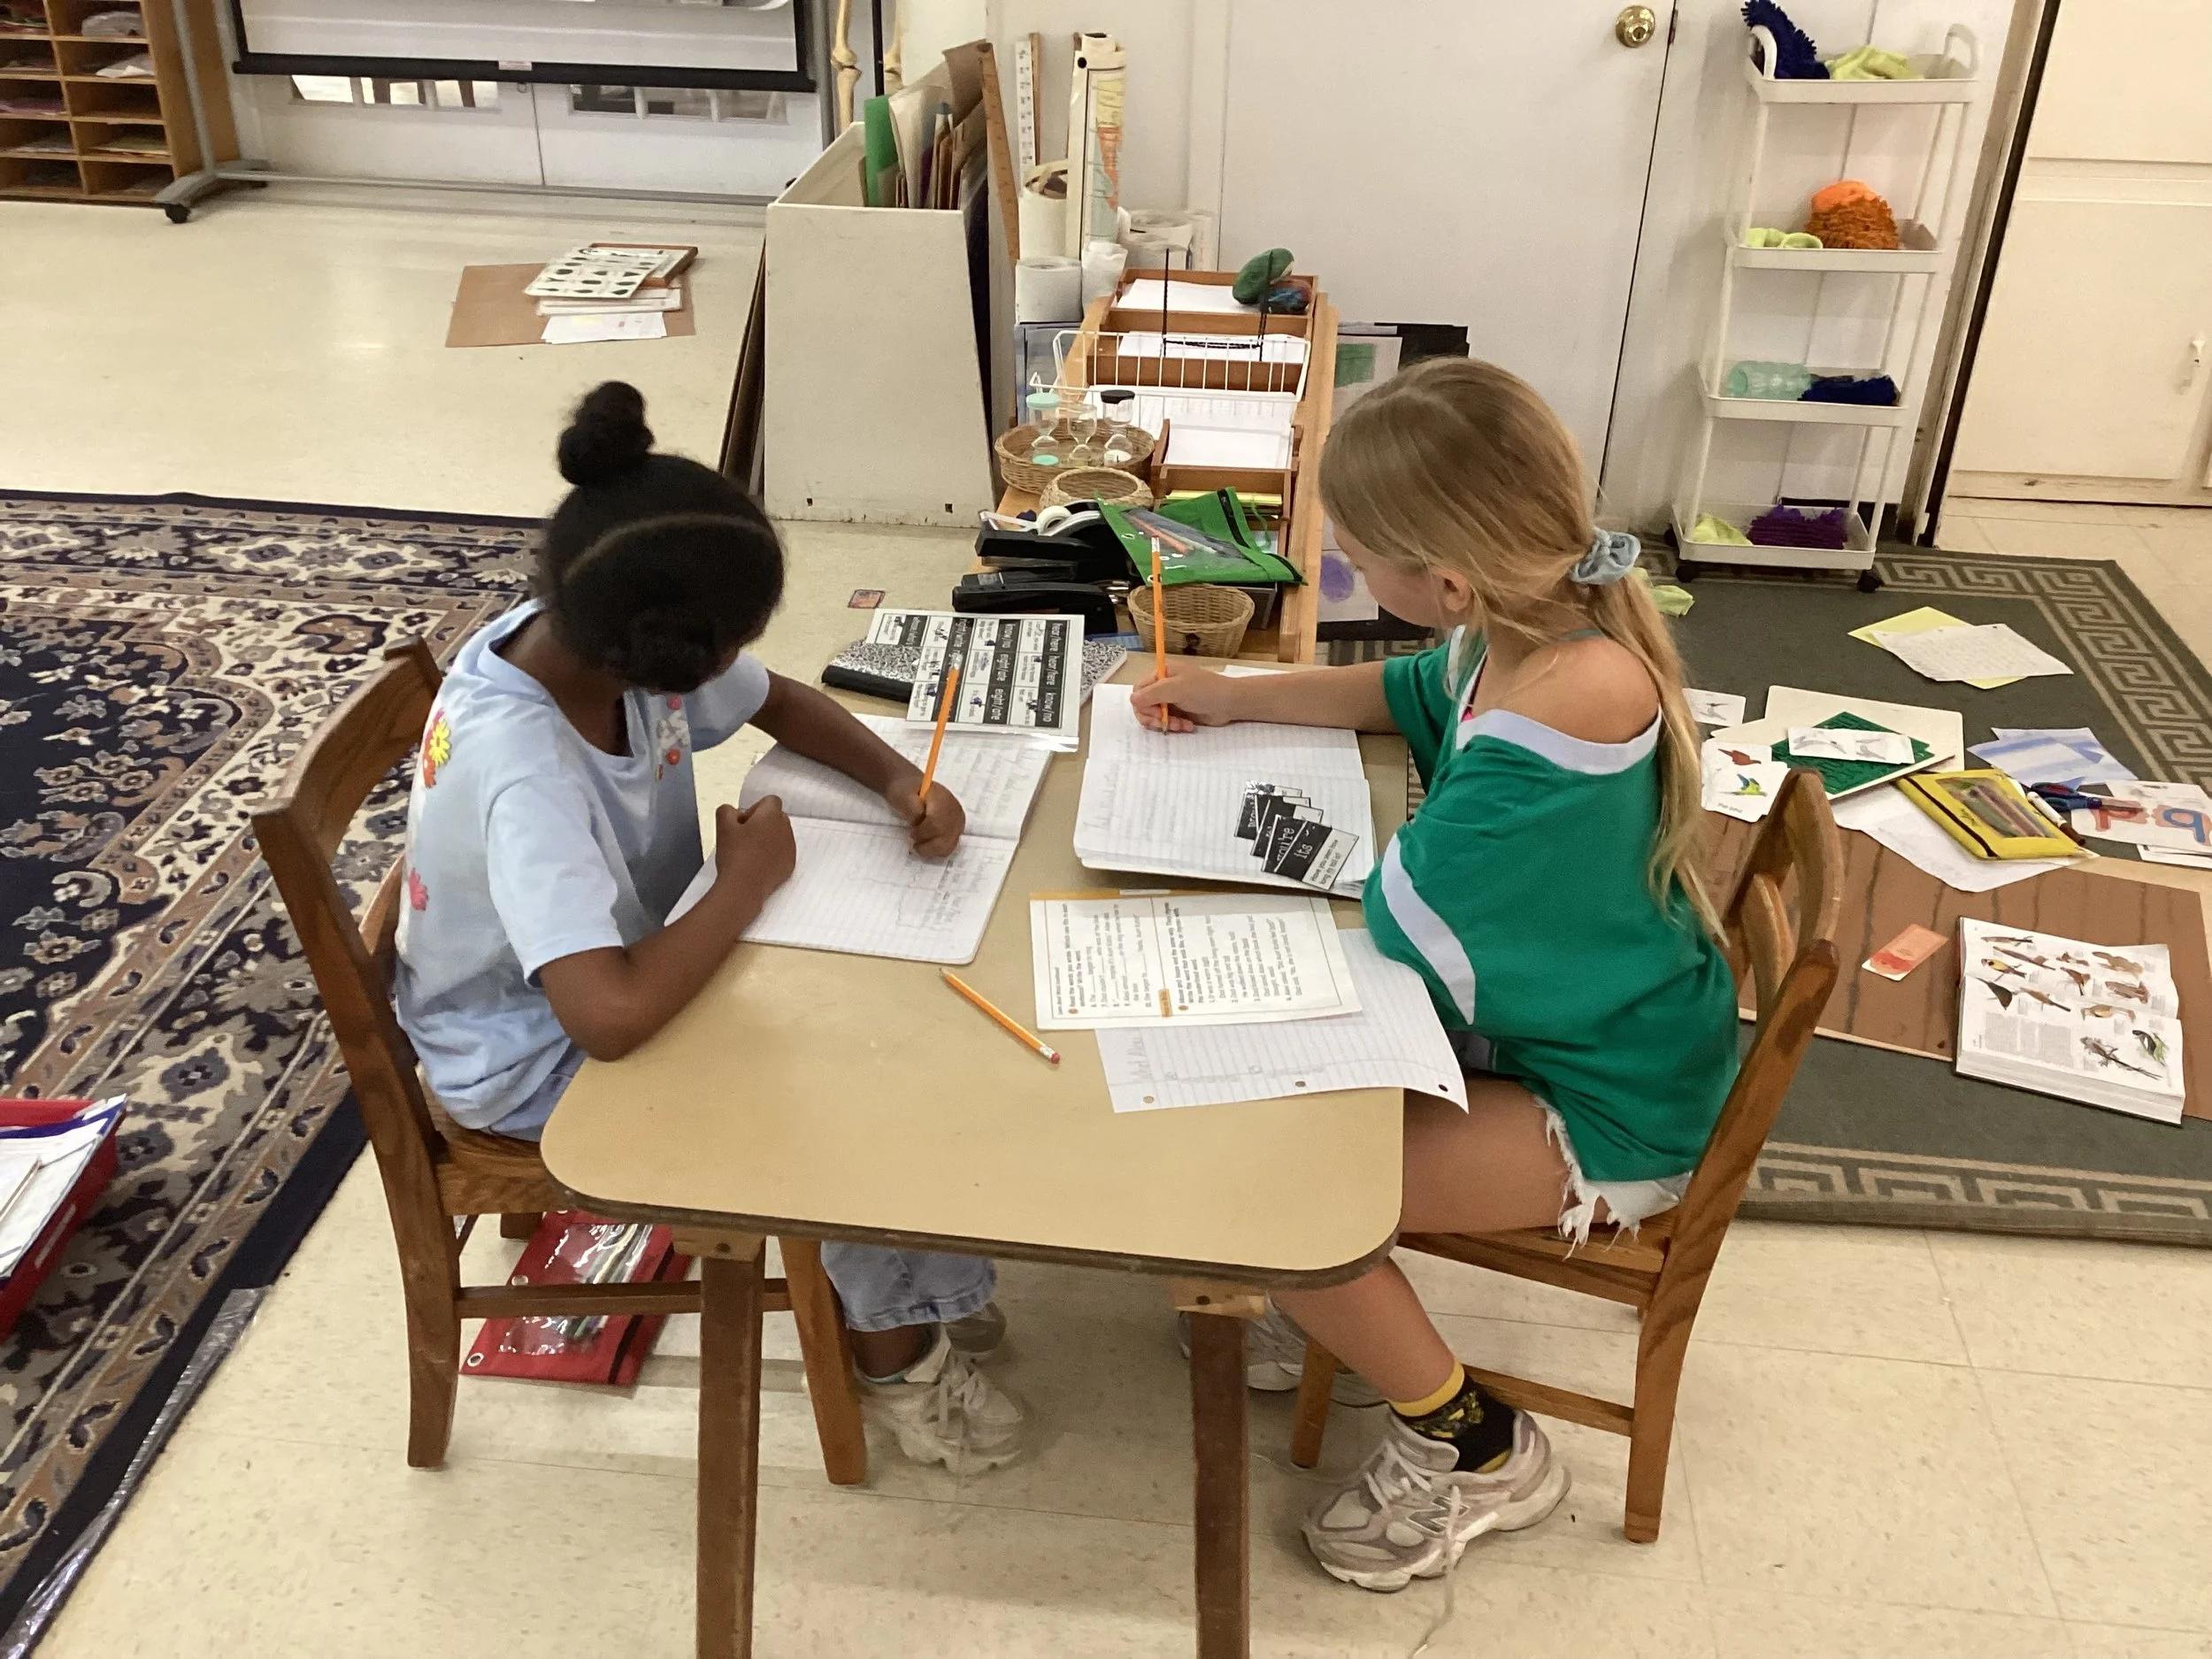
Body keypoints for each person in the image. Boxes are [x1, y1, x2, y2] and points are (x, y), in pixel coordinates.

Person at [1132, 358, 1738, 1590]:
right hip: (1578, 1021)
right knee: (1278, 1139)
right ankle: (1344, 1321)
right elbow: (1396, 687)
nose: (1350, 575)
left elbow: (1401, 927)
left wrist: (1206, 923)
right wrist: (1235, 694)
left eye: (1357, 559)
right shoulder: (1521, 631)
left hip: (1609, 1103)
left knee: (1284, 1191)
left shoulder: (1560, 712)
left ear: (1447, 581)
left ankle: (1475, 1442)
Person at [393, 380, 1025, 1473]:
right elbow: (608, 1018)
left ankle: (920, 1282)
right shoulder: (525, 771)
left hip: (618, 954)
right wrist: (745, 884)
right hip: (532, 1053)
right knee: (834, 1104)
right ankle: (895, 1354)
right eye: (727, 644)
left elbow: (779, 700)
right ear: (662, 660)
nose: (738, 665)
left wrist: (892, 779)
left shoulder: (586, 630)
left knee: (885, 1018)